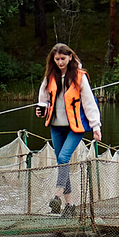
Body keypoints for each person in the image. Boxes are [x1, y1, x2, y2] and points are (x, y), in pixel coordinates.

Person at [33, 43, 101, 214]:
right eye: (57, 59)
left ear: (70, 57)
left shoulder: (79, 76)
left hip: (76, 127)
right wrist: (41, 109)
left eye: (63, 58)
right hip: (56, 126)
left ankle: (56, 197)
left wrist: (96, 126)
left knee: (63, 158)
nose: (60, 62)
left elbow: (89, 103)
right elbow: (43, 99)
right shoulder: (50, 76)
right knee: (62, 163)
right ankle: (70, 205)